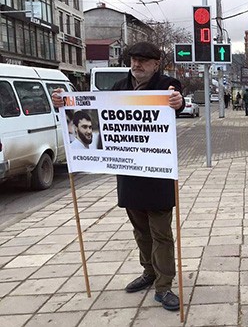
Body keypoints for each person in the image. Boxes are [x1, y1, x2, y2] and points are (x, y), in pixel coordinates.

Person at [52, 41, 184, 312]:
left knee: (161, 233)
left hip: (158, 173)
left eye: (144, 61)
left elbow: (176, 104)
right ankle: (149, 272)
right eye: (134, 60)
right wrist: (63, 104)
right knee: (140, 231)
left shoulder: (167, 86)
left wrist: (177, 103)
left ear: (156, 64)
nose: (137, 65)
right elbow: (94, 116)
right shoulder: (118, 88)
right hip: (128, 174)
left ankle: (164, 286)